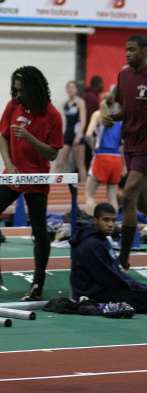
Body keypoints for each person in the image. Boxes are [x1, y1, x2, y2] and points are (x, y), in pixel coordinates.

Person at [0, 66, 63, 301]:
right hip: (12, 174)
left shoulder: (52, 115)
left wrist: (30, 138)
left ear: (35, 89)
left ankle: (38, 284)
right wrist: (8, 164)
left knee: (39, 230)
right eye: (15, 89)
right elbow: (3, 137)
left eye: (22, 90)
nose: (18, 94)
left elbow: (52, 153)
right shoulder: (13, 105)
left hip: (36, 178)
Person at [103, 34, 147, 271]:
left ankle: (123, 259)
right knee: (142, 204)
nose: (128, 54)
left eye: (132, 50)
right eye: (126, 50)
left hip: (145, 147)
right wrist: (111, 117)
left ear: (145, 51)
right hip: (129, 144)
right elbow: (126, 111)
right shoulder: (124, 76)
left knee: (128, 195)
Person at [70, 202, 147, 313]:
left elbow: (115, 273)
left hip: (106, 289)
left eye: (113, 220)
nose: (110, 224)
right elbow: (109, 278)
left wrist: (137, 285)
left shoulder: (101, 239)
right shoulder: (91, 245)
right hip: (94, 295)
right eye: (106, 220)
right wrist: (135, 287)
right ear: (95, 220)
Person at [84, 91, 123, 216]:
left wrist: (93, 149)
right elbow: (123, 142)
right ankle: (113, 224)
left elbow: (88, 134)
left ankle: (90, 221)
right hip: (116, 158)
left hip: (101, 156)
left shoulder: (98, 114)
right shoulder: (121, 118)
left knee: (89, 194)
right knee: (112, 196)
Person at [55, 81, 87, 182]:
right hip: (67, 135)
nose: (70, 89)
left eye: (73, 87)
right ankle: (53, 186)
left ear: (76, 90)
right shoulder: (65, 103)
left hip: (77, 135)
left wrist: (78, 136)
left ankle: (84, 187)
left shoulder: (80, 102)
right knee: (59, 163)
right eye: (68, 87)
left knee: (80, 164)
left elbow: (83, 121)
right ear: (66, 90)